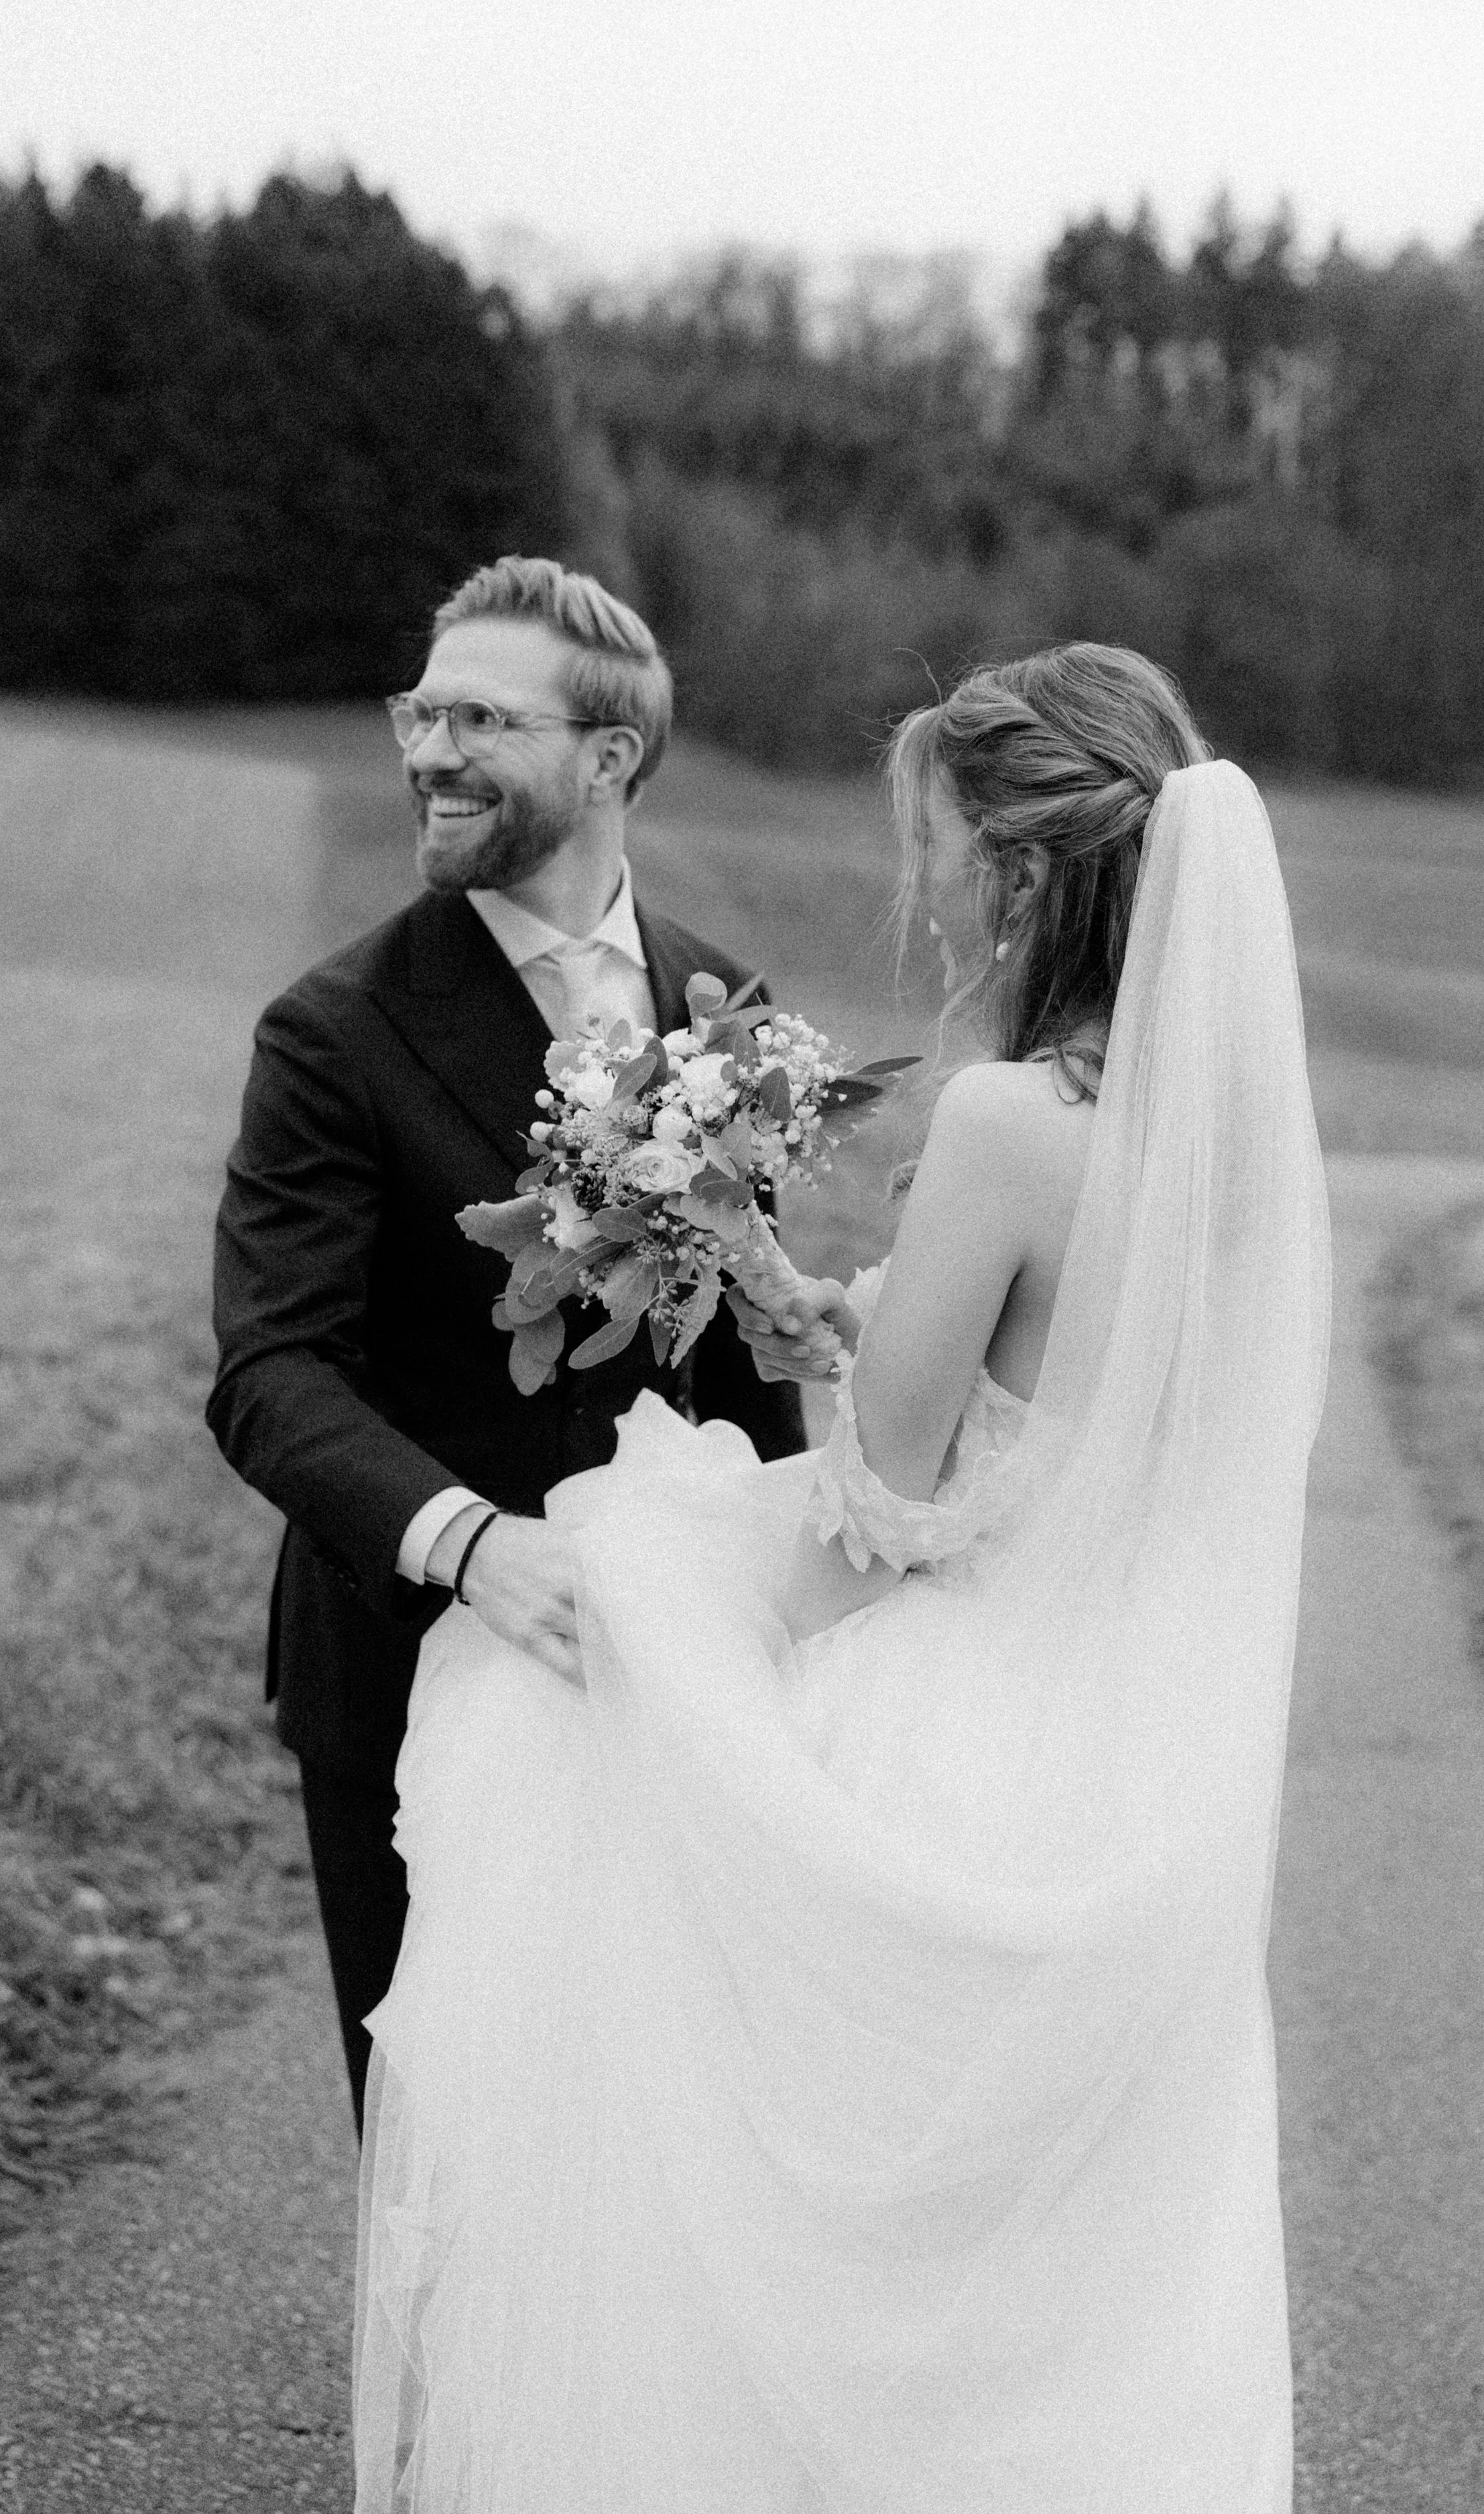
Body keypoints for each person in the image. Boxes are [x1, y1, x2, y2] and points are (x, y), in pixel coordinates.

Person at [353, 644, 1331, 2510]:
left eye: (947, 847)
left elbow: (874, 1508)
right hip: (1138, 1769)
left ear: (1033, 873)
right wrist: (842, 1297)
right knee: (1056, 2300)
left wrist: (694, 1589)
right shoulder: (1233, 1143)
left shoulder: (1006, 1122)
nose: (934, 888)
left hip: (966, 1738)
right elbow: (1076, 1395)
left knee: (574, 1688)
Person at [206, 558, 804, 2131]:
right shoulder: (332, 1032)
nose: (425, 750)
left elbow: (738, 1345)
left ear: (606, 756)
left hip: (665, 1666)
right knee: (442, 2147)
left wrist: (800, 1622)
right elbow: (270, 1376)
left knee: (650, 2141)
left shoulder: (720, 1005)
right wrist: (475, 1549)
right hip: (410, 1662)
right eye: (420, 708)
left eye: (478, 714)